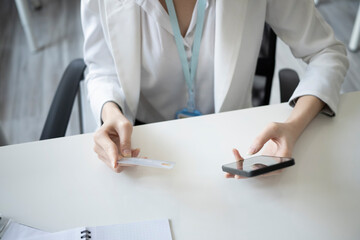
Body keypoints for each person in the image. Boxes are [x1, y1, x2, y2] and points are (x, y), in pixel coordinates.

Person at [81, 0, 349, 176]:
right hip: (145, 146)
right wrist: (110, 111)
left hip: (237, 149)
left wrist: (293, 125)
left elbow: (326, 52)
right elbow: (103, 69)